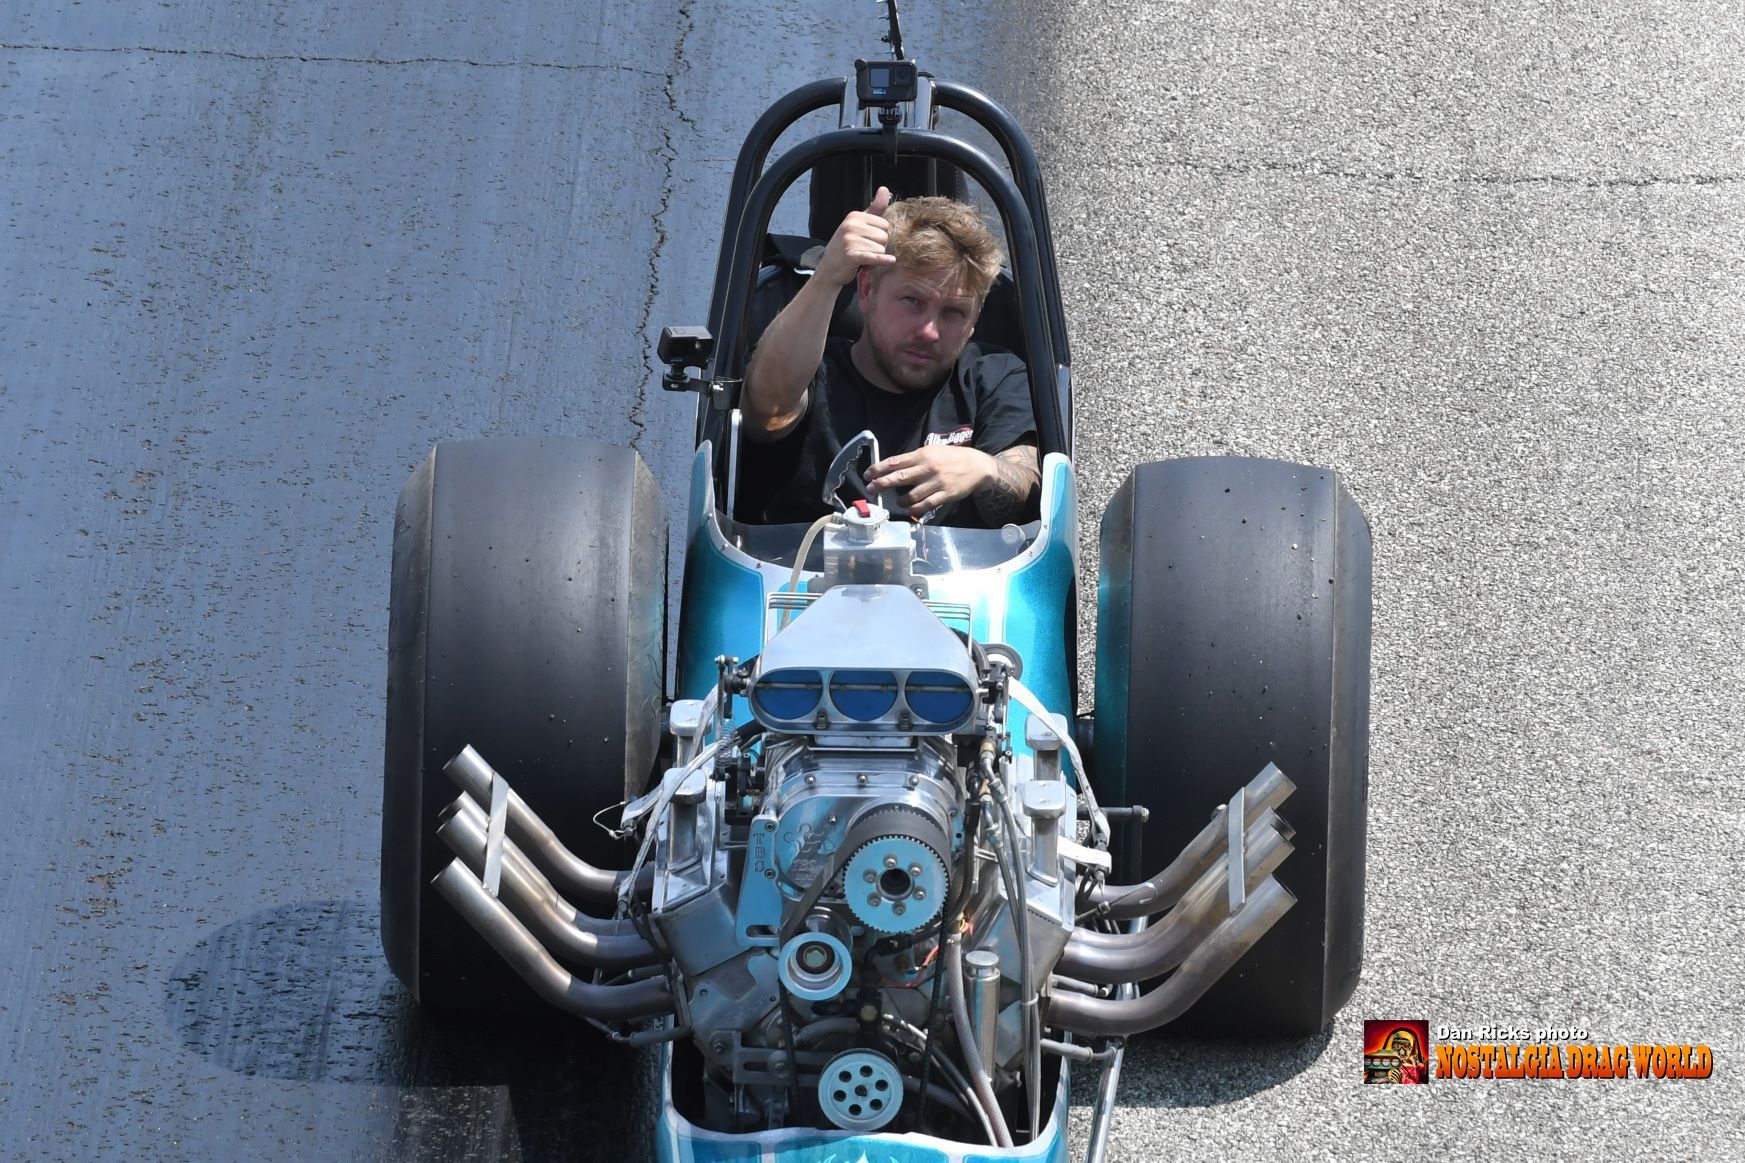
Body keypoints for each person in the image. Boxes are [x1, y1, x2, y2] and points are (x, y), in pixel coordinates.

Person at [739, 187, 1040, 527]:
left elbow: (1028, 478)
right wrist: (827, 278)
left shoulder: (994, 378)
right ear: (867, 290)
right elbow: (766, 409)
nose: (929, 331)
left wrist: (983, 469)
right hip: (797, 575)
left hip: (958, 576)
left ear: (974, 320)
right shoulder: (813, 368)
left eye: (954, 312)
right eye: (912, 301)